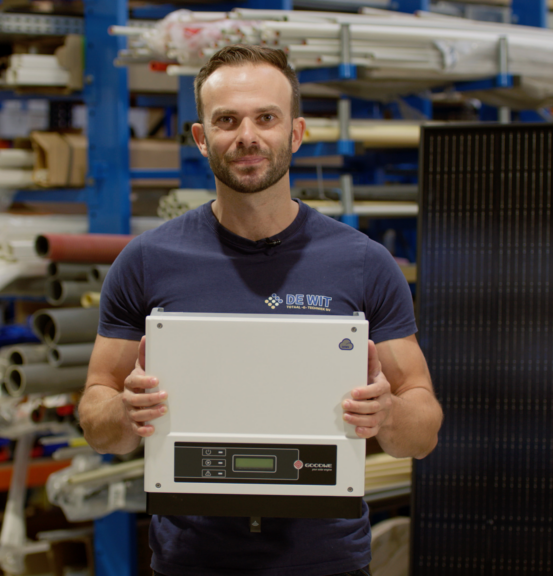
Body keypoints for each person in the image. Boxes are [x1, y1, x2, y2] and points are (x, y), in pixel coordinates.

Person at [78, 45, 443, 576]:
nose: (247, 135)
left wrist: (387, 413)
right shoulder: (147, 262)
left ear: (295, 133)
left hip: (327, 564)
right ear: (202, 139)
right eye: (226, 119)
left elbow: (424, 431)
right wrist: (124, 412)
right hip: (192, 563)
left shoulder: (362, 263)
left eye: (265, 118)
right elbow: (96, 420)